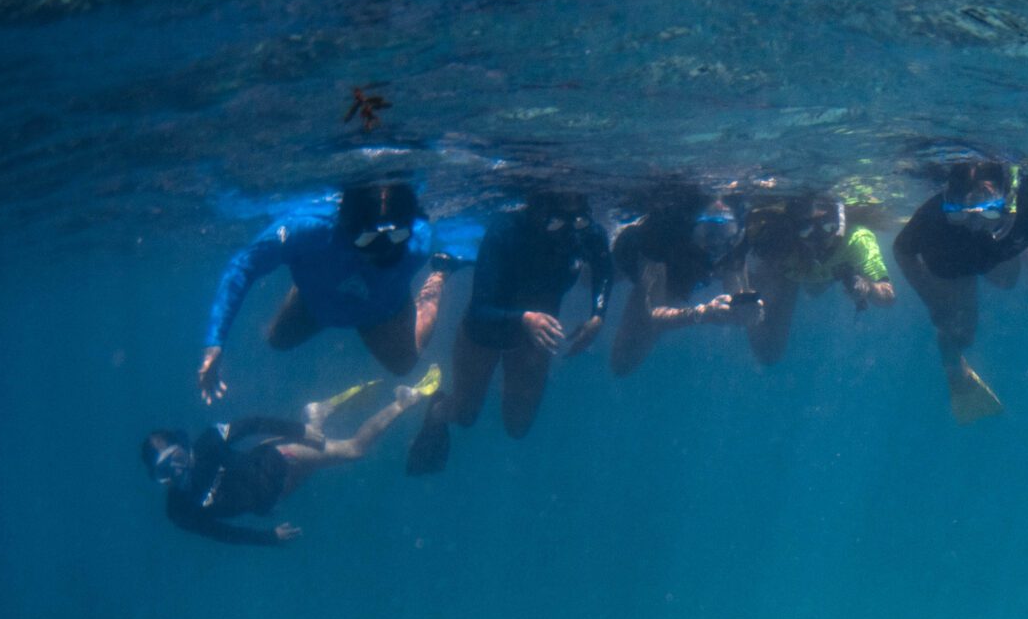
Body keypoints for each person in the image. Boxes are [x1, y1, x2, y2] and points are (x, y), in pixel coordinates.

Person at [406, 192, 612, 476]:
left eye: (575, 220)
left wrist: (598, 315)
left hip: (534, 334)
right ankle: (437, 411)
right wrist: (524, 318)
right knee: (465, 414)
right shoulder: (507, 230)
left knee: (518, 426)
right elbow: (480, 309)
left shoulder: (584, 232)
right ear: (537, 211)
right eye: (556, 221)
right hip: (488, 328)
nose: (566, 228)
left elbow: (603, 265)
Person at [195, 181, 448, 404]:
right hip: (317, 301)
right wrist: (214, 342)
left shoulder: (419, 240)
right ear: (346, 225)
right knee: (277, 340)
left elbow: (244, 265)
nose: (383, 250)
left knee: (404, 366)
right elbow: (243, 265)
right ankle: (308, 275)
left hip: (381, 310)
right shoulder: (309, 230)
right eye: (369, 239)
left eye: (396, 237)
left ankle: (441, 272)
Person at [143, 369, 439, 546]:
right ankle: (316, 415)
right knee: (324, 452)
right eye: (165, 470)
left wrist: (298, 431)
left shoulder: (208, 444)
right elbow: (220, 532)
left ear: (184, 444)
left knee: (354, 449)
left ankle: (404, 400)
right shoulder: (178, 511)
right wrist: (268, 538)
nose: (177, 469)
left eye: (176, 456)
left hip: (281, 458)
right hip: (273, 496)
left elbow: (252, 424)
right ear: (159, 480)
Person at [890, 159, 1028, 422]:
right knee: (960, 331)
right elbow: (901, 250)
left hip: (1000, 250)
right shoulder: (935, 218)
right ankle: (953, 365)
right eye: (961, 213)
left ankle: (1024, 250)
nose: (973, 225)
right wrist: (932, 299)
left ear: (1008, 202)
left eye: (986, 213)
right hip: (953, 259)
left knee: (1008, 281)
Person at [606, 182, 761, 376]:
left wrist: (748, 312)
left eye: (726, 234)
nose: (717, 243)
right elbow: (654, 312)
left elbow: (738, 293)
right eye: (709, 232)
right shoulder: (660, 233)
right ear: (690, 226)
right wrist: (702, 314)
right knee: (623, 362)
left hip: (683, 274)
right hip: (634, 259)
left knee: (623, 365)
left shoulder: (737, 240)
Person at [739, 191, 895, 366]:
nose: (819, 241)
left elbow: (887, 296)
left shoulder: (857, 240)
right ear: (793, 230)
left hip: (823, 275)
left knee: (813, 290)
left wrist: (868, 287)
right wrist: (746, 298)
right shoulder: (779, 239)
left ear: (840, 224)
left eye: (829, 228)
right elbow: (737, 261)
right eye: (807, 231)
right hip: (787, 274)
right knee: (769, 353)